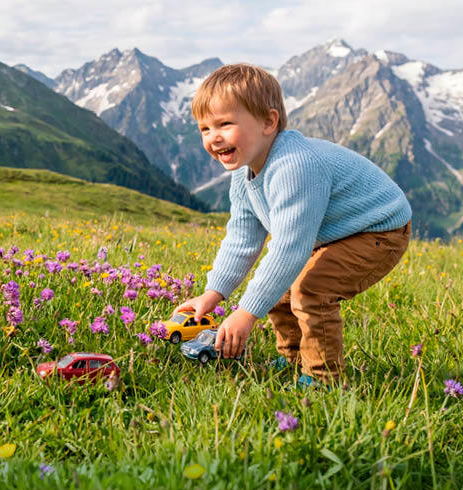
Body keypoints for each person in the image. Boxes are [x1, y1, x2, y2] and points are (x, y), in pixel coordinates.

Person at [175, 63, 411, 385]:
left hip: (379, 230)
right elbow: (241, 239)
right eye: (204, 129)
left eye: (225, 124)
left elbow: (289, 248)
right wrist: (213, 294)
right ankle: (294, 358)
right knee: (279, 288)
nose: (213, 138)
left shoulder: (295, 167)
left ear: (268, 122)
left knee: (311, 289)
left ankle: (323, 379)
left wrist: (246, 313)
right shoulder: (243, 176)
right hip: (338, 233)